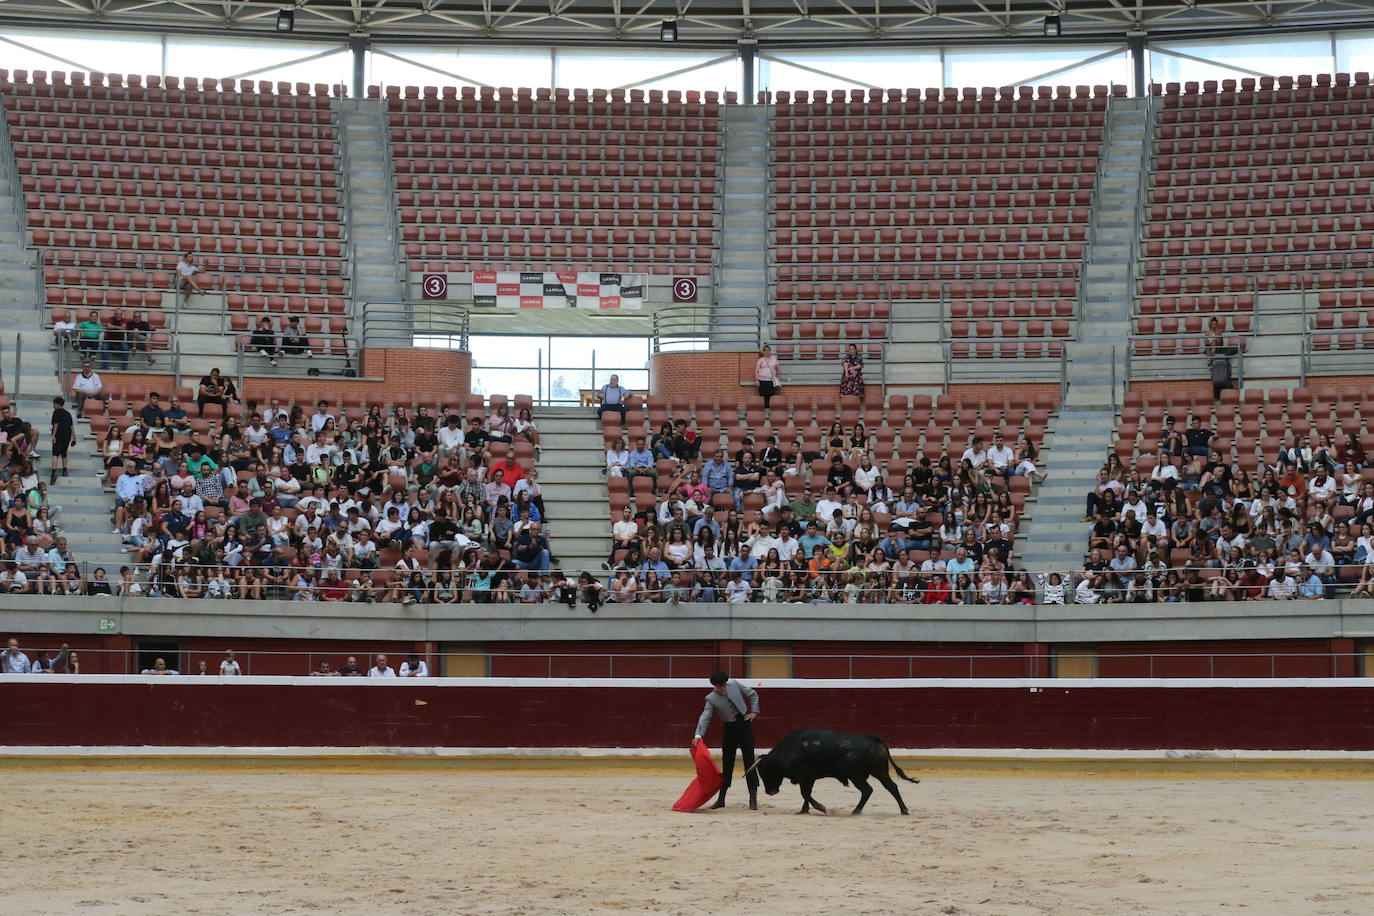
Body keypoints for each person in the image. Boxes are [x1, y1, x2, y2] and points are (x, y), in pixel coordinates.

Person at [692, 670, 761, 810]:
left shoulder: (734, 684)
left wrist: (754, 711)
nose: (722, 688)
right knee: (727, 762)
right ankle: (721, 799)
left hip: (744, 724)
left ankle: (753, 798)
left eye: (723, 685)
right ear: (715, 686)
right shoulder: (711, 698)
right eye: (719, 686)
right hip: (729, 729)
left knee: (749, 760)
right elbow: (705, 716)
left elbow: (753, 694)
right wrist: (698, 735)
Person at [49, 397, 74, 484]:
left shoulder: (56, 412)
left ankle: (53, 473)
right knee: (64, 453)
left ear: (57, 404)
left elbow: (56, 425)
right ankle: (65, 470)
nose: (53, 406)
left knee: (55, 454)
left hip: (58, 435)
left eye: (54, 404)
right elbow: (71, 427)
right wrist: (74, 437)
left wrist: (53, 435)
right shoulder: (68, 413)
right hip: (67, 436)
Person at [755, 344, 781, 408]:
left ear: (770, 351)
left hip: (771, 381)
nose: (767, 352)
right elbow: (756, 370)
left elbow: (778, 369)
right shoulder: (761, 360)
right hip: (762, 380)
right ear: (763, 352)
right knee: (763, 396)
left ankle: (770, 410)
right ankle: (764, 409)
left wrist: (777, 377)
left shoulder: (774, 359)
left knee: (771, 395)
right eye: (765, 350)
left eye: (768, 350)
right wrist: (756, 380)